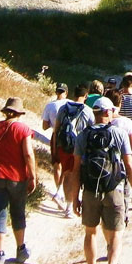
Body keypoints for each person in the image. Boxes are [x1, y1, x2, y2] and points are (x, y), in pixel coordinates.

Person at [72, 97, 132, 264]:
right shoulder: (119, 133)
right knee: (117, 233)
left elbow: (75, 169)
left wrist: (75, 197)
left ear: (94, 113)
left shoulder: (82, 136)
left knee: (90, 233)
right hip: (114, 190)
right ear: (109, 112)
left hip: (90, 190)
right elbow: (129, 165)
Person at [0, 97, 37, 264]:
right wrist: (32, 176)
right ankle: (20, 250)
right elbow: (28, 154)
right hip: (16, 178)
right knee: (18, 213)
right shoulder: (23, 129)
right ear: (19, 113)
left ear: (5, 112)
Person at [52, 84, 94, 218]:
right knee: (75, 175)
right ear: (86, 96)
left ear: (73, 95)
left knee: (67, 173)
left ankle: (67, 203)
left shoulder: (63, 108)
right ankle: (71, 205)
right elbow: (92, 130)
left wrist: (54, 149)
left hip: (63, 146)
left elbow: (56, 129)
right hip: (79, 147)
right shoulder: (88, 110)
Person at [41, 82, 69, 206]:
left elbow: (44, 126)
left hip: (56, 136)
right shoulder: (70, 104)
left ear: (56, 92)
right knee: (67, 166)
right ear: (66, 93)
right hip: (69, 136)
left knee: (57, 165)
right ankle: (66, 193)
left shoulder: (50, 105)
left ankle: (59, 192)